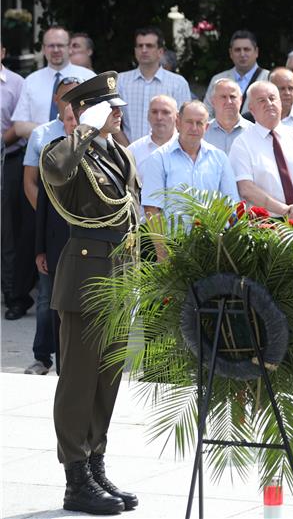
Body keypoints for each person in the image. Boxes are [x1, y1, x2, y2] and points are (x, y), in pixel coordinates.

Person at [41, 71, 141, 514]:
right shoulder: (65, 152)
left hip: (119, 276)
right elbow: (58, 171)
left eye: (117, 107)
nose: (118, 112)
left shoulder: (114, 153)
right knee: (79, 381)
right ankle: (74, 478)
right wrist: (81, 125)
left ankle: (95, 463)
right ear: (84, 111)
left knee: (107, 380)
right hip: (85, 278)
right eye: (109, 107)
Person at [21, 77, 82, 376]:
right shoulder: (47, 142)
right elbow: (34, 189)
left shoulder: (94, 147)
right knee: (49, 299)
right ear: (56, 100)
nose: (72, 115)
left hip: (85, 241)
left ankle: (75, 363)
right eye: (66, 99)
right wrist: (41, 246)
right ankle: (43, 357)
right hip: (56, 237)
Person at [230, 81, 293, 221]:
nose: (269, 103)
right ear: (251, 109)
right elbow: (246, 188)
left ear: (280, 103)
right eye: (261, 100)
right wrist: (286, 210)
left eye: (273, 98)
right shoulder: (242, 143)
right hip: (265, 225)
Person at [33, 103, 79, 378]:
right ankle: (60, 367)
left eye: (78, 118)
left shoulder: (96, 154)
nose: (74, 123)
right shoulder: (53, 154)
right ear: (62, 122)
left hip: (86, 246)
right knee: (55, 308)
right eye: (70, 119)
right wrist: (39, 248)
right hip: (56, 244)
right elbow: (42, 207)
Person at [141, 101, 239, 228]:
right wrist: (162, 247)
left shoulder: (219, 158)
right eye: (189, 122)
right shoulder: (159, 158)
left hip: (213, 241)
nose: (194, 128)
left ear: (207, 127)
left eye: (199, 123)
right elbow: (152, 208)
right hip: (174, 243)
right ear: (178, 122)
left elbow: (231, 205)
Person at [12, 26, 95, 139]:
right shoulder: (31, 81)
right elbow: (19, 126)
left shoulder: (89, 77)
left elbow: (100, 117)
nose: (56, 50)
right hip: (40, 151)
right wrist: (52, 133)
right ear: (43, 48)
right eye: (51, 45)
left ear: (69, 47)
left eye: (60, 45)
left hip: (81, 150)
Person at [117, 26, 192, 144]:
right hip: (128, 155)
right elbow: (111, 120)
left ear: (160, 51)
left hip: (166, 155)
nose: (144, 50)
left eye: (149, 46)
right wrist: (128, 152)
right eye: (140, 46)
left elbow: (184, 122)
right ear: (135, 50)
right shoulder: (120, 81)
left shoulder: (178, 83)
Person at [1, 44, 29, 321]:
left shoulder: (17, 83)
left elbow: (19, 123)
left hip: (7, 160)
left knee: (7, 228)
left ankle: (10, 292)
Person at [203, 30, 269, 117]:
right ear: (231, 53)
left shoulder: (269, 78)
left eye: (247, 49)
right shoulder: (218, 80)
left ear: (256, 52)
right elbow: (206, 113)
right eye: (237, 50)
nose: (242, 54)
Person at [204, 78, 254, 155]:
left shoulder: (254, 132)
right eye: (223, 97)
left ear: (241, 100)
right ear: (213, 101)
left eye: (232, 97)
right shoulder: (202, 133)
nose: (229, 101)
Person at [126, 95, 178, 166]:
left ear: (177, 116)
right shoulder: (133, 151)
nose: (159, 117)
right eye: (154, 112)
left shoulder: (189, 148)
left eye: (165, 112)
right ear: (148, 115)